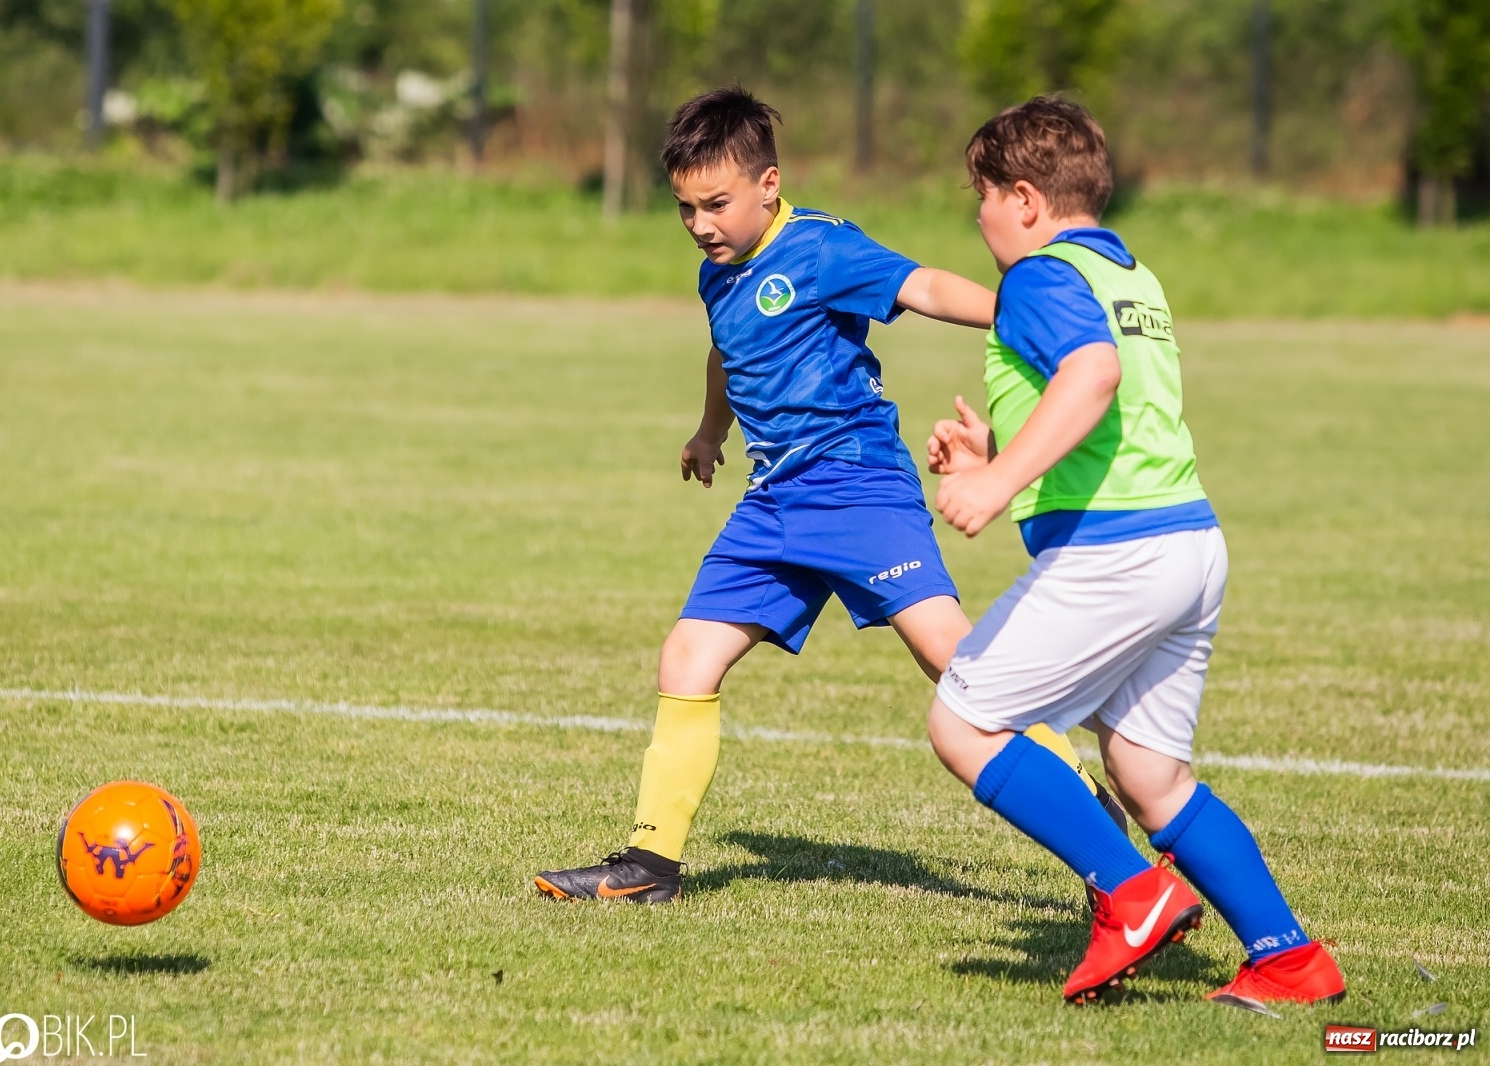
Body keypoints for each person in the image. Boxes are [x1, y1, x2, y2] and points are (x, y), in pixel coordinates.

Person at [534, 86, 1124, 906]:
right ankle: (651, 866)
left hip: (855, 487)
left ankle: (1093, 819)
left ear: (768, 184)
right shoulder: (719, 274)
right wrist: (710, 431)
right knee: (687, 658)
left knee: (953, 663)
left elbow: (922, 287)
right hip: (772, 500)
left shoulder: (820, 250)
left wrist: (1018, 312)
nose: (702, 224)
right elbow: (725, 352)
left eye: (717, 203)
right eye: (685, 209)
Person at [923, 95, 1345, 1006]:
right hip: (1187, 542)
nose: (981, 217)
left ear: (1026, 200)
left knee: (961, 723)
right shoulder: (1129, 276)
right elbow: (1118, 417)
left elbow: (1094, 376)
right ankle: (1289, 958)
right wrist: (999, 454)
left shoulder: (1038, 276)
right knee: (1151, 774)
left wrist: (994, 488)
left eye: (983, 198)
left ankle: (1135, 893)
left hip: (1117, 552)